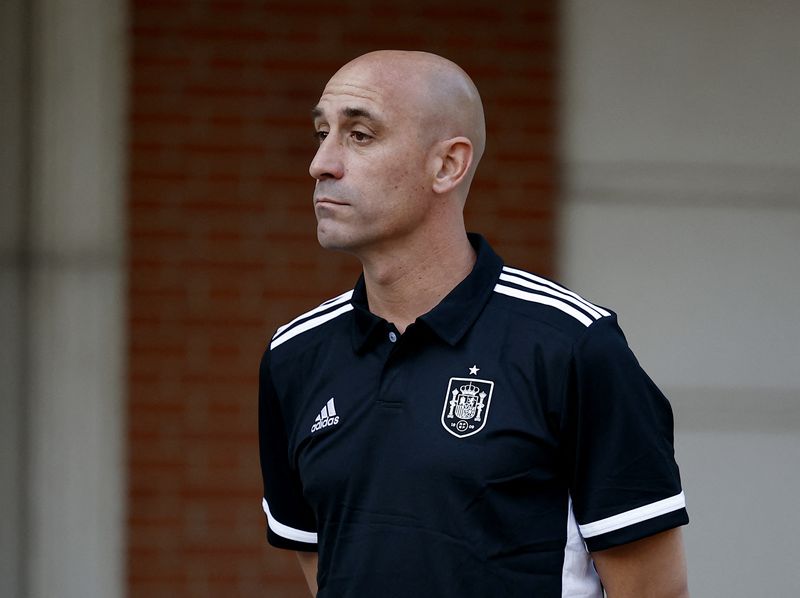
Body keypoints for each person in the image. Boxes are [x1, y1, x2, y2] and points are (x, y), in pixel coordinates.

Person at [259, 50, 689, 597]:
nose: (321, 162)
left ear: (447, 165)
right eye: (322, 133)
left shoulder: (573, 346)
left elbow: (654, 590)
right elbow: (326, 570)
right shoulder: (293, 356)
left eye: (359, 134)